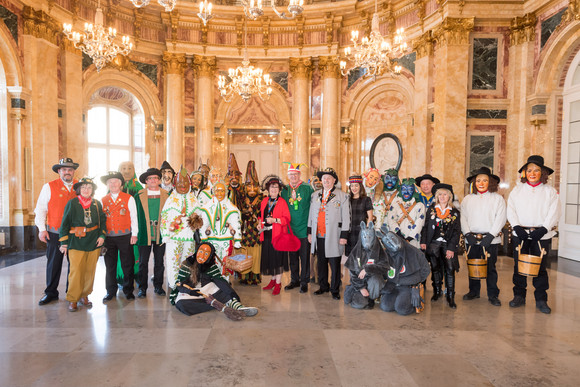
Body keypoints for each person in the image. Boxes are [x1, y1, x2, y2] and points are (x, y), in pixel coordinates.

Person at [507, 155, 560, 314]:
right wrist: (516, 227)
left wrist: (544, 229)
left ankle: (541, 299)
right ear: (524, 172)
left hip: (541, 235)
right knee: (519, 266)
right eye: (529, 170)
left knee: (541, 268)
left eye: (536, 170)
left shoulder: (550, 191)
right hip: (520, 233)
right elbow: (511, 209)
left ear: (543, 172)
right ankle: (519, 296)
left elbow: (554, 211)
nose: (532, 173)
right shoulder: (517, 190)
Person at [170, 243, 258, 319]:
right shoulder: (187, 264)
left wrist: (232, 294)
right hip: (191, 291)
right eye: (201, 251)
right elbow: (179, 284)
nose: (202, 256)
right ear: (197, 251)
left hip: (207, 290)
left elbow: (220, 281)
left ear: (210, 256)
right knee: (182, 304)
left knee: (224, 291)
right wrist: (190, 291)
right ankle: (219, 304)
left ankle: (237, 306)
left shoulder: (211, 266)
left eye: (206, 253)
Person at [34, 157, 79, 306]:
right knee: (53, 263)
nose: (67, 172)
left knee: (75, 264)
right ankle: (51, 293)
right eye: (64, 169)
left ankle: (72, 293)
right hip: (54, 233)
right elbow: (40, 209)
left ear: (73, 172)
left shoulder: (80, 187)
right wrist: (42, 229)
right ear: (59, 171)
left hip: (75, 233)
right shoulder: (49, 186)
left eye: (70, 169)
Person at [58, 177, 107, 312]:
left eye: (89, 187)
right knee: (76, 271)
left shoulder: (97, 204)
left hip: (94, 242)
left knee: (89, 271)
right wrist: (64, 242)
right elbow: (64, 224)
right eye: (84, 187)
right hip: (76, 242)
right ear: (79, 189)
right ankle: (73, 298)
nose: (86, 190)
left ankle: (84, 295)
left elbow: (103, 221)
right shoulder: (72, 203)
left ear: (93, 190)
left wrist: (102, 235)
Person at [461, 167, 506, 306]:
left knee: (490, 267)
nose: (481, 183)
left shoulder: (498, 199)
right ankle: (474, 291)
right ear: (474, 182)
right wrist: (467, 234)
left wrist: (491, 236)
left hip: (490, 240)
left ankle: (493, 294)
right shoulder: (467, 199)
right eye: (478, 180)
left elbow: (501, 218)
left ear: (490, 182)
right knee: (473, 265)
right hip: (472, 238)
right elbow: (463, 217)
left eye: (485, 180)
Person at [308, 168, 351, 300]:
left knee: (334, 263)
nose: (326, 180)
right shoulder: (315, 195)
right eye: (324, 178)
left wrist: (344, 235)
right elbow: (311, 215)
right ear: (321, 180)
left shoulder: (342, 196)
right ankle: (323, 286)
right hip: (318, 235)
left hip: (334, 235)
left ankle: (334, 288)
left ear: (334, 181)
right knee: (321, 263)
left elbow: (346, 217)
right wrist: (310, 232)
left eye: (329, 178)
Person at [420, 183, 461, 309]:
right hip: (433, 243)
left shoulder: (454, 212)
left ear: (449, 196)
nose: (442, 197)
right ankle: (436, 291)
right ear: (437, 197)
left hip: (447, 244)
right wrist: (424, 241)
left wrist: (451, 248)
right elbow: (426, 227)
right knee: (435, 268)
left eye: (445, 194)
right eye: (440, 195)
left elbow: (456, 231)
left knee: (450, 269)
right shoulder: (432, 209)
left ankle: (450, 296)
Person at [101, 171, 139, 302]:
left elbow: (134, 217)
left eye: (116, 181)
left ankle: (128, 290)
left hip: (125, 236)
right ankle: (110, 291)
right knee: (110, 265)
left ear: (121, 184)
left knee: (127, 264)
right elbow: (101, 220)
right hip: (109, 238)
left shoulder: (129, 198)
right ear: (107, 184)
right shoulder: (103, 200)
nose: (113, 184)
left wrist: (134, 234)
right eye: (110, 181)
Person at [160, 166, 199, 290]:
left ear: (190, 184)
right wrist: (165, 234)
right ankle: (174, 284)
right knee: (173, 262)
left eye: (185, 183)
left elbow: (200, 217)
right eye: (180, 183)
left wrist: (195, 222)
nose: (183, 185)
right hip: (174, 238)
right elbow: (164, 218)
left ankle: (187, 283)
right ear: (175, 184)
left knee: (188, 262)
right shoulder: (170, 200)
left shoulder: (194, 199)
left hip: (189, 237)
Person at [135, 168, 169, 298]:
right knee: (143, 262)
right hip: (144, 233)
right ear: (146, 181)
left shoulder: (166, 195)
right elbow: (135, 216)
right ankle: (142, 288)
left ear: (159, 180)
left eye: (155, 178)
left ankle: (158, 286)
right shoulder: (139, 195)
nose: (153, 180)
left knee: (159, 262)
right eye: (150, 178)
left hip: (160, 233)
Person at [198, 181, 242, 280]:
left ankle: (224, 284)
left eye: (222, 191)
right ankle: (212, 284)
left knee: (225, 263)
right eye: (217, 190)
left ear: (226, 192)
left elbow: (236, 223)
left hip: (226, 239)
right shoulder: (207, 207)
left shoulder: (231, 207)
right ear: (213, 191)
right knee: (212, 263)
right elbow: (203, 223)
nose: (220, 193)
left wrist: (238, 239)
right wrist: (203, 238)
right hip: (211, 239)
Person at [281, 162, 314, 293]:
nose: (293, 176)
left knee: (304, 257)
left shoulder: (307, 188)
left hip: (304, 229)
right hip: (290, 230)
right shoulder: (284, 189)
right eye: (291, 175)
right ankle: (294, 280)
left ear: (299, 174)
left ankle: (304, 281)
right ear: (288, 176)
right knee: (293, 257)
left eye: (295, 174)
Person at [258, 175, 291, 295]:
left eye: (276, 188)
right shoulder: (264, 201)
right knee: (270, 259)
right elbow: (260, 215)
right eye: (272, 188)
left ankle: (278, 283)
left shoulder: (282, 202)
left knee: (278, 260)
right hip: (266, 234)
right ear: (268, 189)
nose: (274, 190)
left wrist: (275, 220)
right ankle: (272, 281)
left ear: (279, 190)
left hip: (278, 236)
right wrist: (259, 224)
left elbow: (287, 219)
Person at [239, 161, 263, 285]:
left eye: (254, 186)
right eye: (249, 186)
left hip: (257, 232)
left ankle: (255, 276)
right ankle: (244, 275)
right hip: (245, 231)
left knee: (256, 254)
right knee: (245, 253)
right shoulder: (242, 199)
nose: (252, 189)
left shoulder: (262, 199)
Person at [386, 178, 426, 248]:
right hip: (397, 238)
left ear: (414, 191)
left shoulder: (420, 206)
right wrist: (399, 235)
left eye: (410, 190)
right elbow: (391, 219)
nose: (406, 192)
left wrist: (409, 238)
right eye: (404, 189)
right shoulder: (395, 203)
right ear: (401, 191)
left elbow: (419, 223)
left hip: (413, 240)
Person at [345, 175, 373, 257]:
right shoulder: (347, 199)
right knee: (351, 257)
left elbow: (370, 217)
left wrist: (367, 230)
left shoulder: (366, 199)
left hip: (361, 232)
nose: (354, 188)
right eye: (352, 186)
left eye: (356, 185)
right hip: (349, 232)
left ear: (360, 186)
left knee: (362, 256)